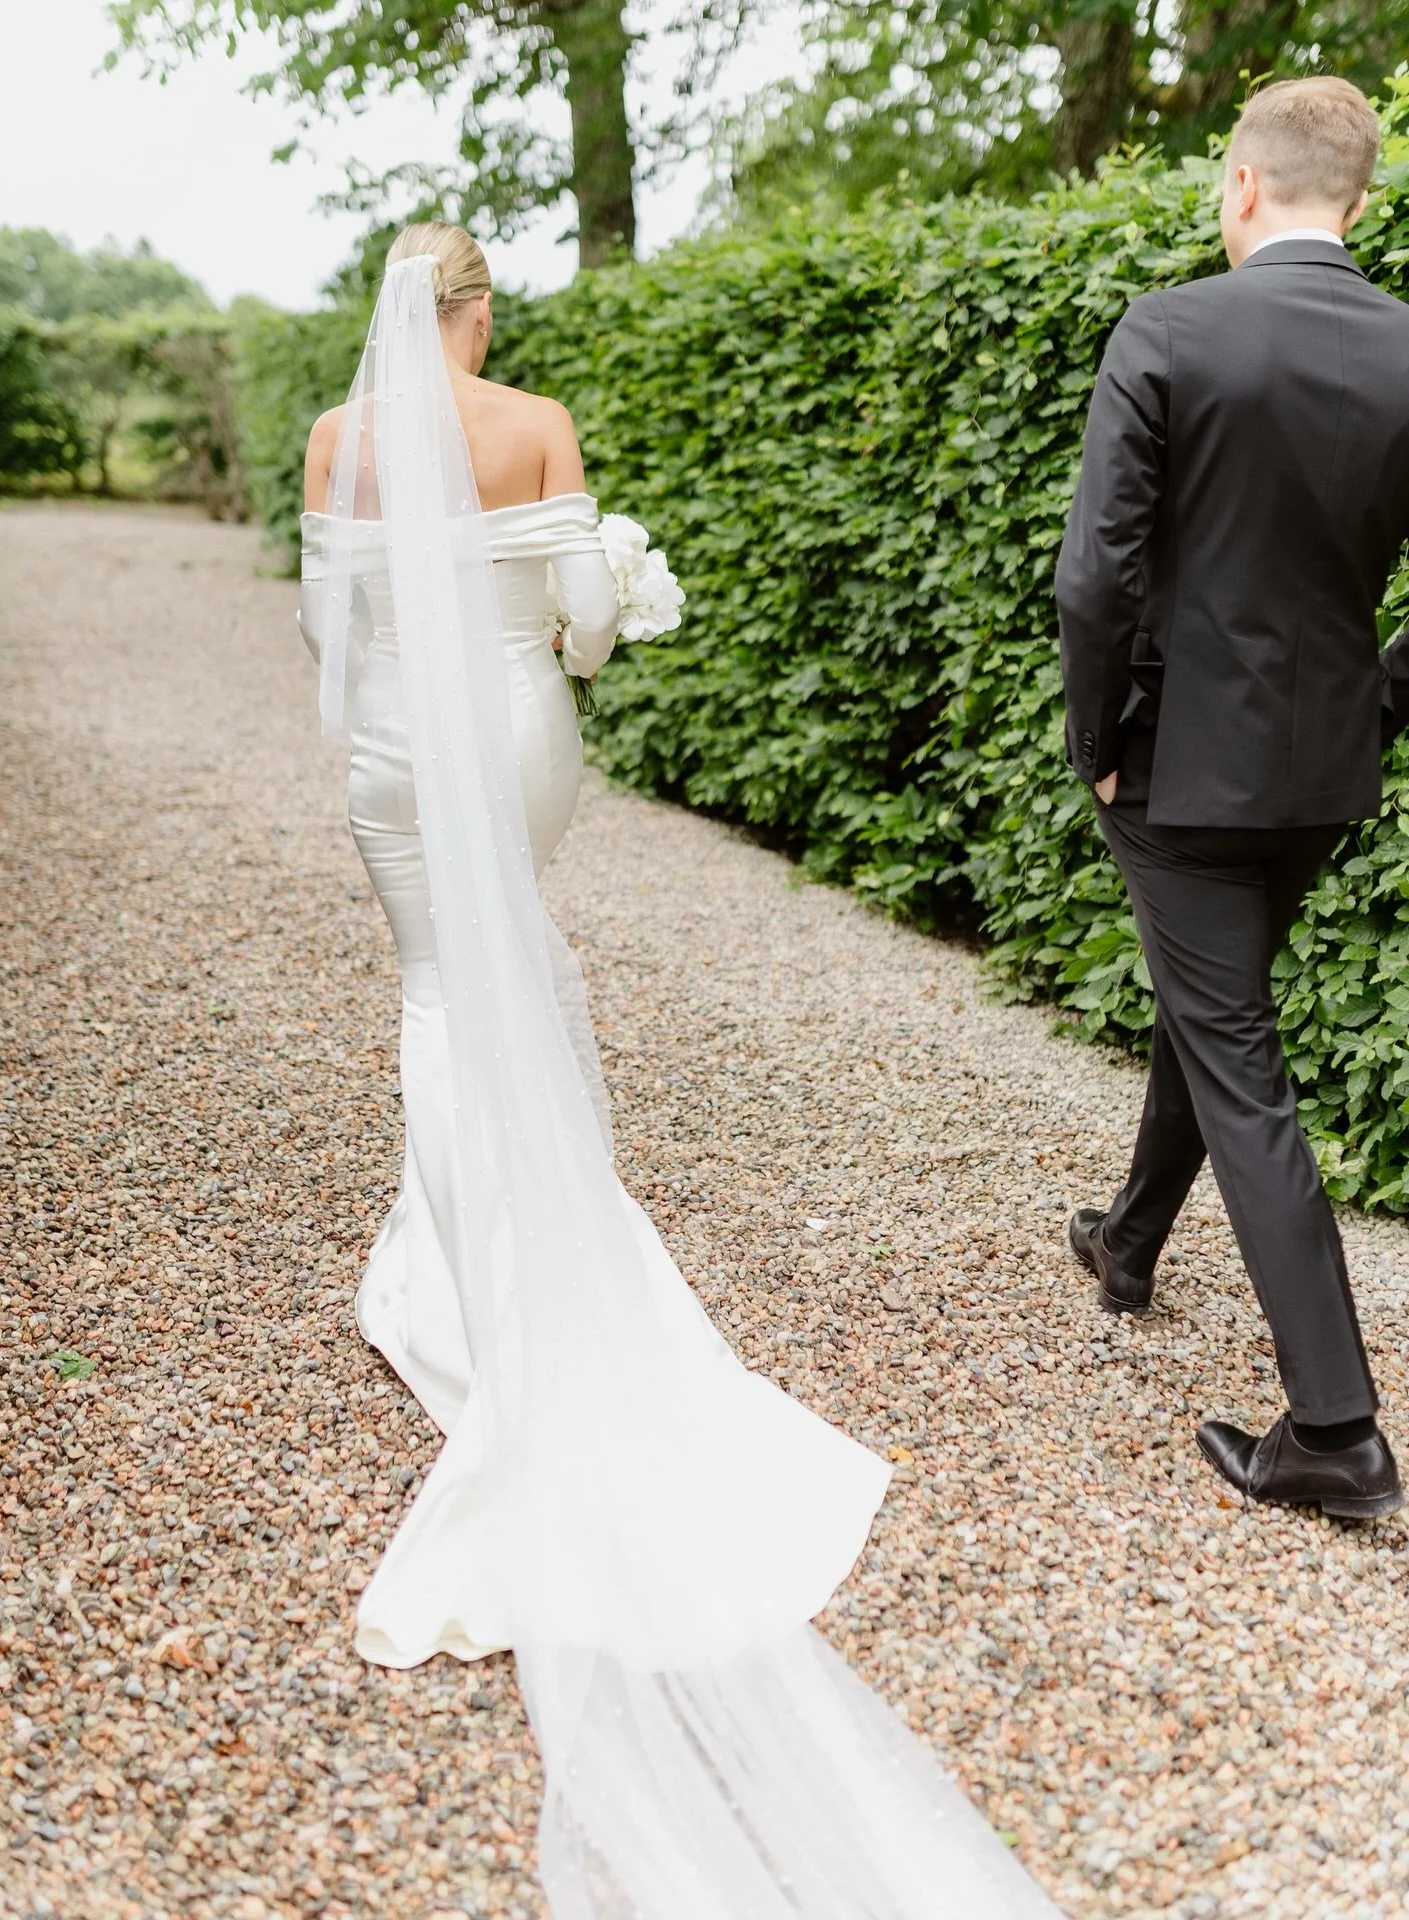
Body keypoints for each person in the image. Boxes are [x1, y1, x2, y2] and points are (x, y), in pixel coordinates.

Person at [297, 223, 1063, 1917]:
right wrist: (605, 601)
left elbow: (330, 628)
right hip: (507, 731)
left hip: (389, 752)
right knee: (493, 983)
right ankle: (501, 1259)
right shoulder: (541, 419)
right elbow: (577, 631)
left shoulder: (334, 443)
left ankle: (445, 1270)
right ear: (477, 310)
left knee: (431, 989)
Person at [1057, 76, 1409, 1520]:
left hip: (1181, 766)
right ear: (1362, 203)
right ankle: (1130, 1241)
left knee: (1235, 1049)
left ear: (1246, 189)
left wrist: (1100, 738)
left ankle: (1335, 1429)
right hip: (1325, 773)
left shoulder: (1172, 328)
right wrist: (1384, 696)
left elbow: (1094, 577)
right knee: (1217, 998)